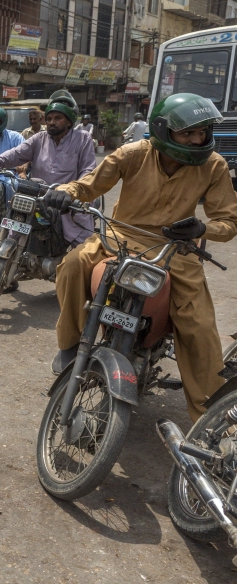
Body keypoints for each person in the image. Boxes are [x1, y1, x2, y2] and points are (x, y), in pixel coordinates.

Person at [43, 93, 237, 421]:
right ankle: (71, 344)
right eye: (188, 132)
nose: (197, 139)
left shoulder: (213, 165)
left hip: (175, 249)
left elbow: (229, 222)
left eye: (201, 132)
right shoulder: (132, 154)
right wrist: (65, 193)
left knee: (200, 326)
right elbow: (88, 185)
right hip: (118, 238)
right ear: (163, 130)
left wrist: (202, 227)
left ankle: (213, 418)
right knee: (72, 264)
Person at [0, 92, 96, 246]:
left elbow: (88, 170)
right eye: (49, 119)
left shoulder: (83, 138)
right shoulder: (39, 138)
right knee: (14, 228)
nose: (52, 122)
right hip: (40, 200)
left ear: (69, 122)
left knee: (84, 250)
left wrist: (72, 191)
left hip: (67, 203)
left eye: (57, 118)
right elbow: (17, 153)